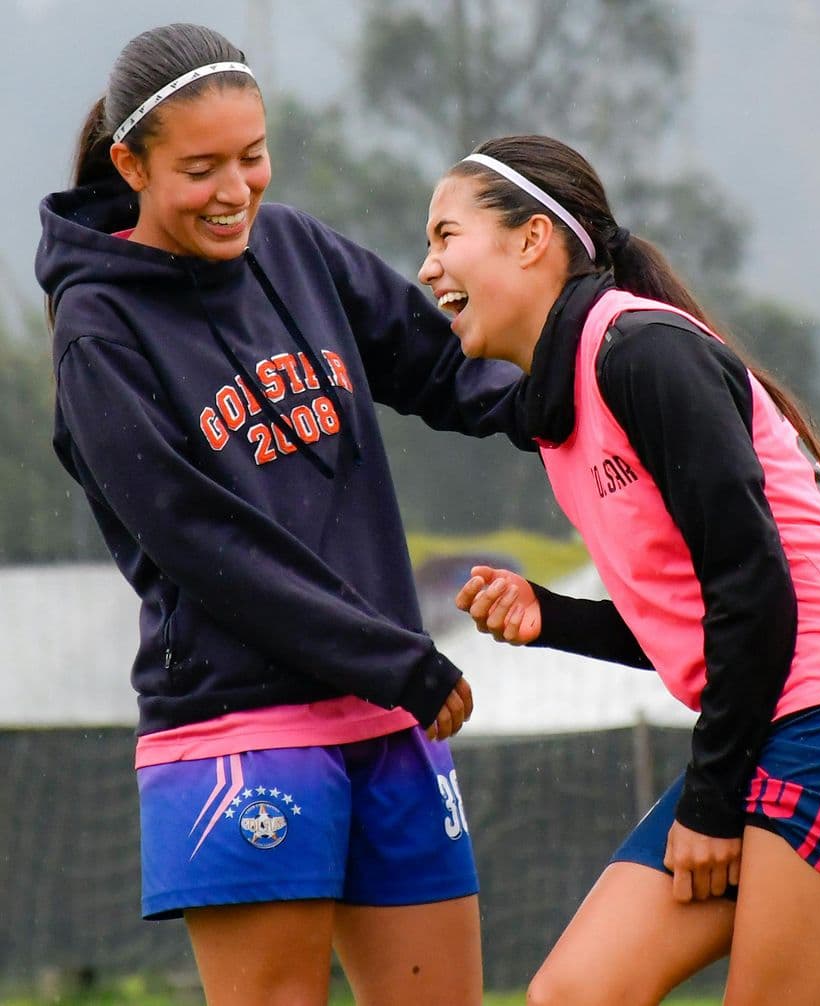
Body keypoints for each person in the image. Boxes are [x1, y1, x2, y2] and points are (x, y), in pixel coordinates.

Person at [36, 24, 533, 1006]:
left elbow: (444, 369)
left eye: (253, 157)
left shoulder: (296, 249)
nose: (236, 190)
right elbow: (201, 540)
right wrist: (393, 653)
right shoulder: (97, 331)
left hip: (388, 717)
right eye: (202, 167)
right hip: (240, 729)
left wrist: (584, 387)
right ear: (131, 163)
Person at [418, 134, 820, 1006]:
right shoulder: (562, 407)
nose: (426, 267)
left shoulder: (640, 352)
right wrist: (552, 616)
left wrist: (712, 803)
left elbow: (755, 592)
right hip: (780, 719)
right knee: (572, 995)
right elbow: (707, 619)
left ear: (532, 240)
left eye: (446, 236)